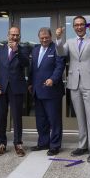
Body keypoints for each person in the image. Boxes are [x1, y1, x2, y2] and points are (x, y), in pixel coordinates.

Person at [55, 16, 90, 163]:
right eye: (76, 25)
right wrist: (58, 39)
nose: (79, 27)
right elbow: (60, 53)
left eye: (81, 24)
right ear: (73, 27)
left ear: (86, 25)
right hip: (74, 83)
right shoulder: (69, 42)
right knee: (81, 117)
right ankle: (82, 145)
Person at [0, 26, 30, 157]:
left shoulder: (23, 49)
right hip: (1, 88)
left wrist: (16, 51)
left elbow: (25, 64)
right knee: (1, 116)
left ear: (19, 36)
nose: (14, 37)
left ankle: (18, 144)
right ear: (8, 35)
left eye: (17, 35)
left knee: (17, 116)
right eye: (12, 34)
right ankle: (1, 144)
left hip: (16, 88)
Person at [28, 27, 65, 156]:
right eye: (42, 38)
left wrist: (53, 79)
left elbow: (60, 66)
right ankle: (43, 143)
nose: (44, 40)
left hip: (52, 90)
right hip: (38, 91)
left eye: (47, 37)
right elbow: (33, 69)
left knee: (54, 120)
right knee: (41, 120)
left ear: (51, 37)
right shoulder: (35, 49)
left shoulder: (56, 48)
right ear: (39, 38)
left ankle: (55, 145)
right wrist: (30, 84)